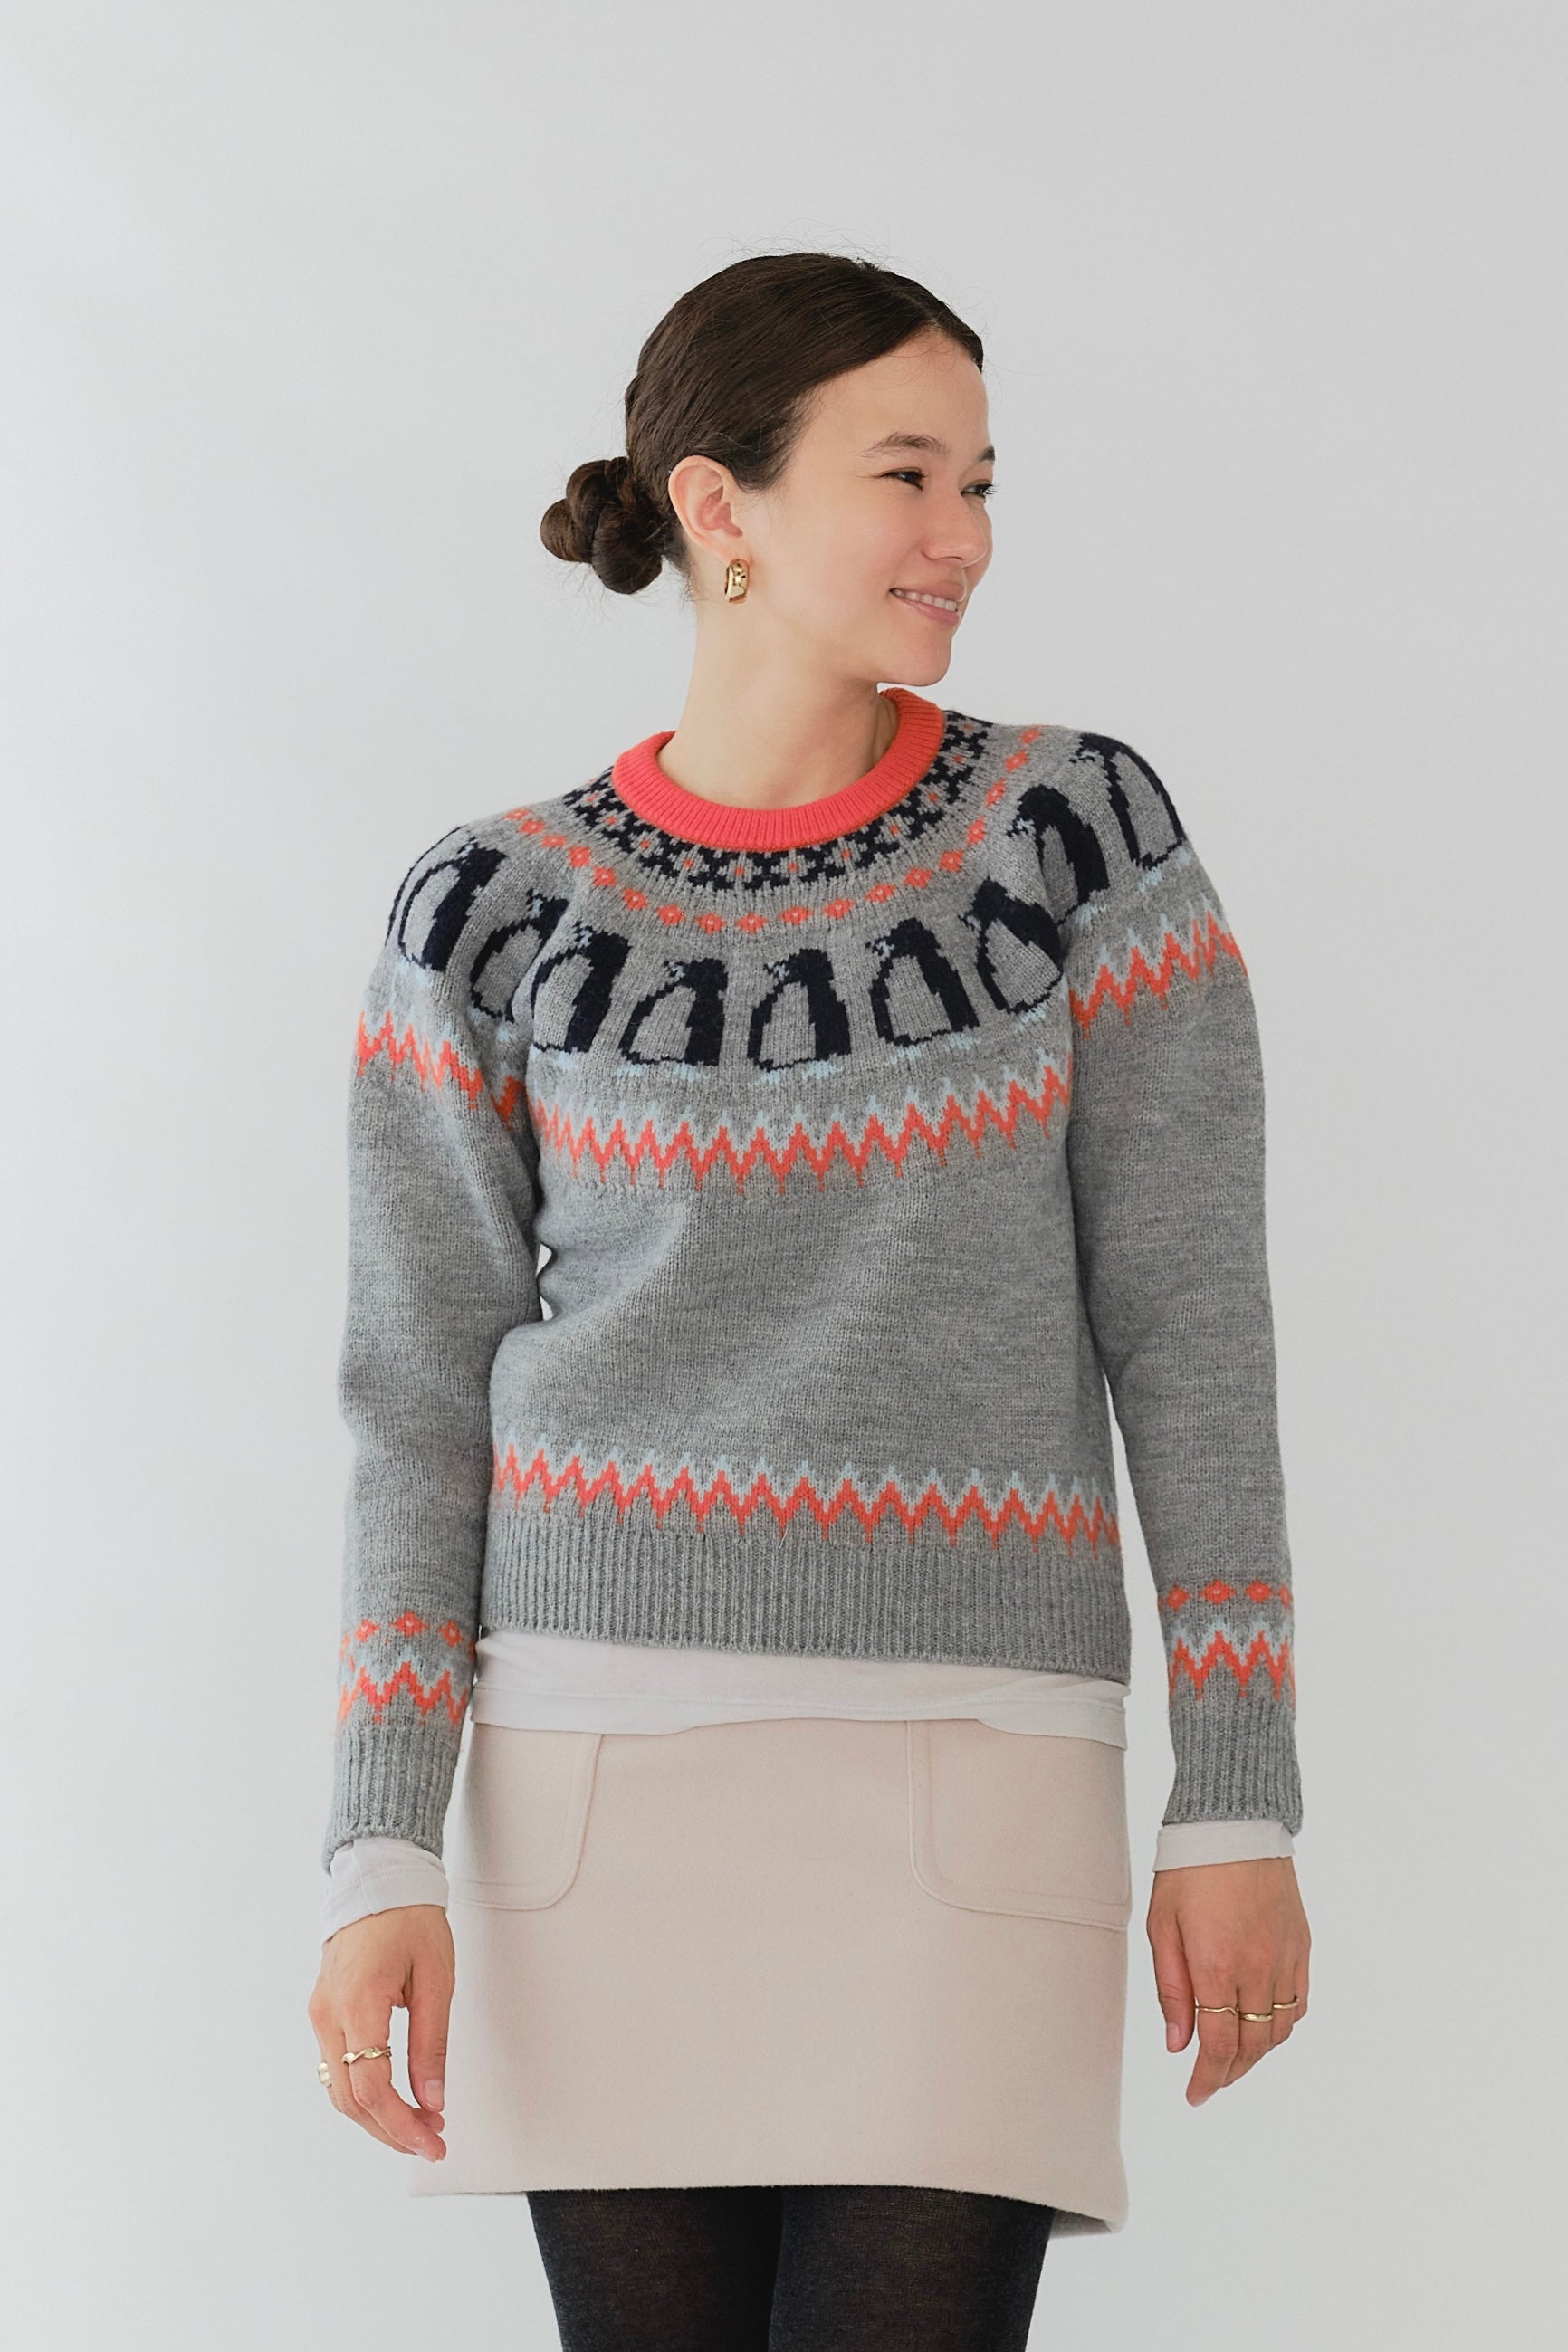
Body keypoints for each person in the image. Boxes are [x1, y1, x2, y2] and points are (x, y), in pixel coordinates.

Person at [307, 250, 1311, 2350]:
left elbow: (1192, 1328)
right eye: (904, 475)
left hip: (977, 1759)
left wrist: (1233, 1790)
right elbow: (414, 1399)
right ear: (719, 507)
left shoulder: (1075, 838)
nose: (963, 536)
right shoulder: (490, 907)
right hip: (592, 1776)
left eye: (978, 481)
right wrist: (378, 1848)